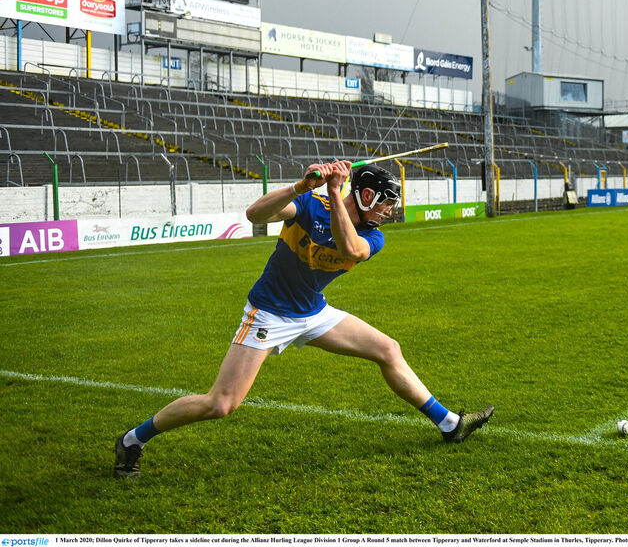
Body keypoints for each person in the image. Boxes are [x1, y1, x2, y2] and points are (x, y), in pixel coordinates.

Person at [113, 162, 494, 480]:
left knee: (387, 349)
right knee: (222, 404)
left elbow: (351, 249)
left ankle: (449, 425)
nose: (389, 210)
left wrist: (332, 195)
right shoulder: (308, 205)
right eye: (386, 202)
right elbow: (255, 215)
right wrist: (302, 186)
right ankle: (133, 439)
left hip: (313, 312)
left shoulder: (372, 236)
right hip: (269, 313)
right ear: (365, 195)